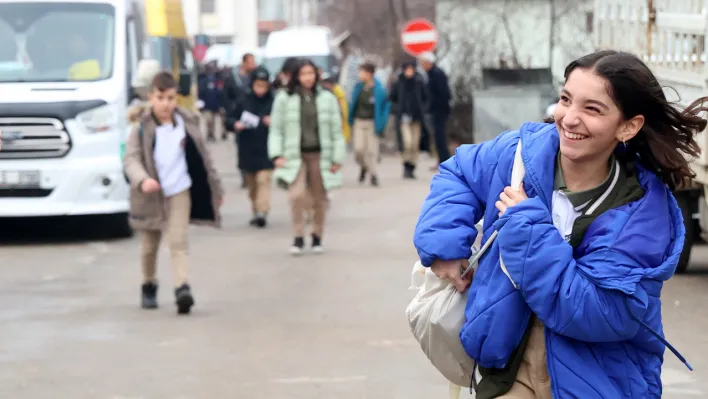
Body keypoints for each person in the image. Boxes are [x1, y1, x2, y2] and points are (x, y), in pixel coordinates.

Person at [413, 50, 701, 398]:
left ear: (628, 126)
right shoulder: (522, 154)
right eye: (566, 99)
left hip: (597, 380)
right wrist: (444, 247)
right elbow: (459, 172)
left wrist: (526, 228)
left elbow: (597, 311)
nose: (569, 118)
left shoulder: (642, 211)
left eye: (592, 109)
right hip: (507, 368)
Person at [124, 71, 224, 315]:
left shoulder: (187, 123)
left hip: (179, 189)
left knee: (178, 240)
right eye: (160, 98)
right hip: (150, 194)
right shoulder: (141, 128)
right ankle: (149, 284)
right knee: (149, 245)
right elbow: (131, 160)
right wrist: (143, 180)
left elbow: (204, 158)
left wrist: (216, 188)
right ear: (151, 97)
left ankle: (182, 288)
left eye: (170, 98)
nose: (166, 104)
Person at [268, 59, 346, 255]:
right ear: (296, 76)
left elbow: (337, 130)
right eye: (303, 74)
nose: (308, 78)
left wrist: (337, 158)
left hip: (321, 154)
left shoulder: (327, 98)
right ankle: (298, 236)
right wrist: (276, 154)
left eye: (311, 73)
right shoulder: (284, 98)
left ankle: (317, 235)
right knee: (296, 196)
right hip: (295, 155)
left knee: (320, 198)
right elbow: (276, 129)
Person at [226, 66, 275, 227]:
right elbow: (229, 120)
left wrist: (273, 122)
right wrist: (236, 124)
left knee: (263, 180)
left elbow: (283, 122)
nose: (261, 89)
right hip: (247, 149)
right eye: (258, 85)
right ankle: (256, 211)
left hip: (266, 148)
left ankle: (262, 212)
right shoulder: (243, 100)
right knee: (252, 185)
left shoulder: (274, 101)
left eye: (264, 85)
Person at [348, 62, 390, 186]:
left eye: (362, 72)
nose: (359, 74)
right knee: (359, 150)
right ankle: (364, 166)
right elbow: (352, 105)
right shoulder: (358, 87)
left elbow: (384, 107)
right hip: (359, 122)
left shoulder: (379, 89)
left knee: (371, 151)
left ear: (369, 74)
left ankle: (373, 175)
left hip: (372, 122)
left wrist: (382, 123)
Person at [389, 61, 429, 179]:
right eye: (408, 69)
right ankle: (406, 164)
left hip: (416, 117)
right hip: (403, 118)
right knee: (407, 142)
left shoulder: (419, 83)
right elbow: (392, 99)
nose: (410, 72)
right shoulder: (398, 83)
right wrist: (397, 110)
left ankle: (412, 165)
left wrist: (423, 109)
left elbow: (426, 98)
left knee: (415, 144)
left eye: (412, 69)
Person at [418, 52, 452, 169]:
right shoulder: (431, 74)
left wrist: (436, 107)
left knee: (440, 137)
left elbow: (443, 93)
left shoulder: (437, 74)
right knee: (437, 138)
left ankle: (444, 162)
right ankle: (441, 160)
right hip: (435, 110)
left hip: (440, 111)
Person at [197, 60, 223, 141]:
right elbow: (201, 92)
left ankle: (212, 134)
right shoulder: (202, 79)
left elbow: (219, 92)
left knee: (213, 121)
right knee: (209, 120)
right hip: (207, 104)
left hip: (214, 104)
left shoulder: (216, 79)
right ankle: (209, 134)